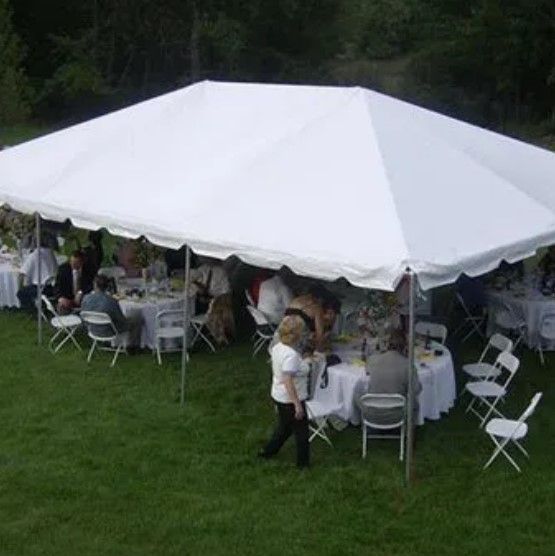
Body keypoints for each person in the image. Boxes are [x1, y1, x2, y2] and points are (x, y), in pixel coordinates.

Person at [259, 315, 310, 468]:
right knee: (301, 432)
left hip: (278, 393)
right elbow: (288, 380)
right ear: (296, 334)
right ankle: (303, 464)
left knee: (285, 427)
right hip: (290, 398)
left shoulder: (277, 347)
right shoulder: (291, 355)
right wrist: (297, 405)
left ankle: (268, 451)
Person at [362, 329, 422, 426]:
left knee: (357, 387)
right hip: (398, 415)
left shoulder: (373, 359)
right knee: (414, 400)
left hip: (372, 413)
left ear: (387, 344)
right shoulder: (408, 365)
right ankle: (411, 430)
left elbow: (367, 370)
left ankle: (356, 422)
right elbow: (416, 389)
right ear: (405, 346)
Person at [81, 274, 142, 347]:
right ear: (107, 287)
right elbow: (121, 320)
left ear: (95, 285)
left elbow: (83, 317)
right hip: (110, 331)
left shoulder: (86, 298)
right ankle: (131, 345)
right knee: (137, 317)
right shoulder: (111, 301)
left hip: (92, 329)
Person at [283, 284, 340, 354]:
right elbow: (320, 335)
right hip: (296, 341)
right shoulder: (316, 308)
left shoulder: (295, 301)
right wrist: (319, 353)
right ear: (320, 298)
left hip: (283, 335)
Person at [191, 257, 235, 345]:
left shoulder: (221, 272)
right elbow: (194, 281)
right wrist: (196, 285)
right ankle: (197, 332)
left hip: (216, 300)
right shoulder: (202, 269)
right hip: (202, 298)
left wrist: (214, 300)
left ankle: (217, 334)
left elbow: (226, 291)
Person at [16, 242, 58, 310]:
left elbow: (22, 274)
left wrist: (20, 287)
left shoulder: (34, 255)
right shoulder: (49, 251)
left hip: (42, 289)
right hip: (52, 286)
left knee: (20, 293)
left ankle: (31, 309)